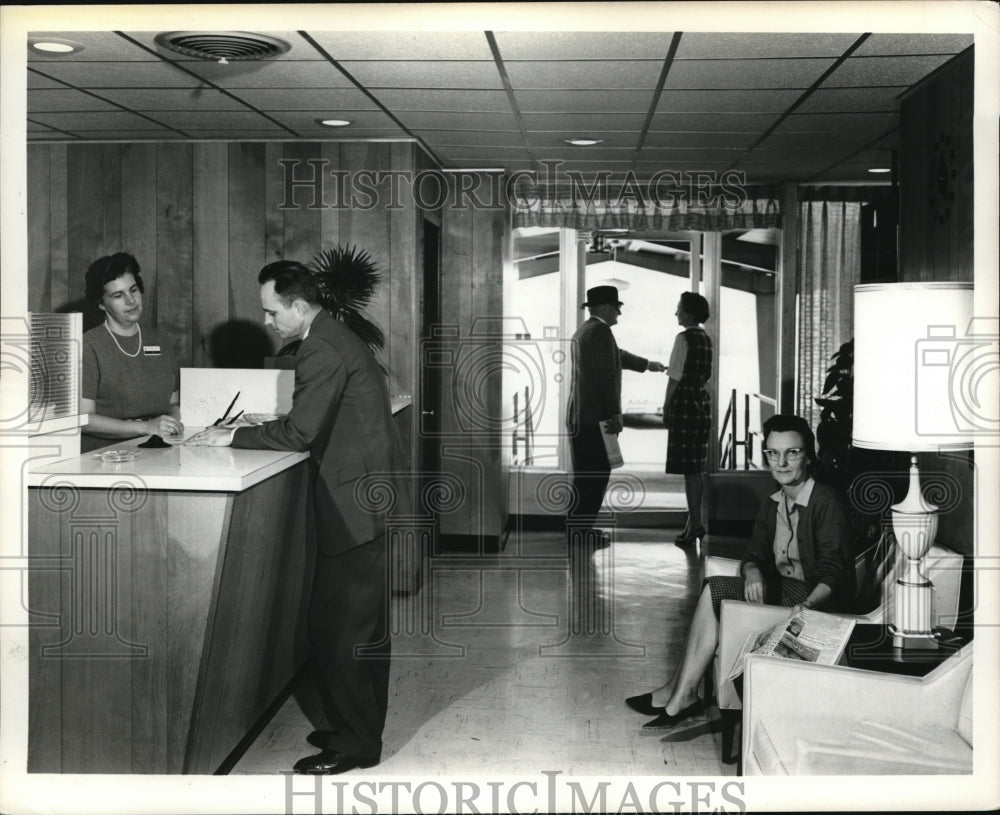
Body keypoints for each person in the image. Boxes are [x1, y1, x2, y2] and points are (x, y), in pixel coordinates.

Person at [187, 260, 408, 774]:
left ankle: (356, 745)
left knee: (341, 630)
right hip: (367, 498)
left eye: (272, 311)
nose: (268, 322)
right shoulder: (331, 336)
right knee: (361, 625)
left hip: (355, 503)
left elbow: (300, 435)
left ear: (300, 306)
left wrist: (231, 435)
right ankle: (356, 726)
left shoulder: (321, 348)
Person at [625, 414, 855, 730]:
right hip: (787, 593)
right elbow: (753, 554)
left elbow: (834, 572)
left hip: (816, 605)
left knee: (714, 589)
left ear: (809, 455)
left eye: (792, 452)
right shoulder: (773, 502)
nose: (782, 462)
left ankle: (682, 695)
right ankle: (676, 693)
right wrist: (753, 572)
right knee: (714, 589)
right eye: (773, 453)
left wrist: (809, 606)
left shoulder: (825, 502)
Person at [566, 285, 665, 541]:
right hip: (595, 419)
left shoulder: (585, 331)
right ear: (606, 308)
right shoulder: (600, 332)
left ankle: (578, 529)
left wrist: (646, 365)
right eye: (617, 308)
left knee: (586, 476)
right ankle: (582, 532)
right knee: (596, 477)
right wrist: (616, 415)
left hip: (580, 417)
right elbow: (606, 378)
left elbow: (614, 356)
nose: (619, 314)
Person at [80, 253, 182, 453]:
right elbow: (84, 420)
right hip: (105, 457)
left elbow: (173, 403)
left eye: (133, 290)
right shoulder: (88, 345)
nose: (130, 300)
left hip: (158, 450)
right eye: (118, 295)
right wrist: (145, 427)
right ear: (101, 304)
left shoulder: (160, 341)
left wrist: (172, 423)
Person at [663, 291, 713, 548]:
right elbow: (704, 375)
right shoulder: (706, 339)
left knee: (689, 470)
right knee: (696, 467)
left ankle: (695, 524)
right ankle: (693, 522)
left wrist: (666, 407)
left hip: (684, 404)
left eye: (679, 308)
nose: (676, 313)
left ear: (689, 313)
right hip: (701, 404)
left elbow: (674, 376)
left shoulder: (682, 338)